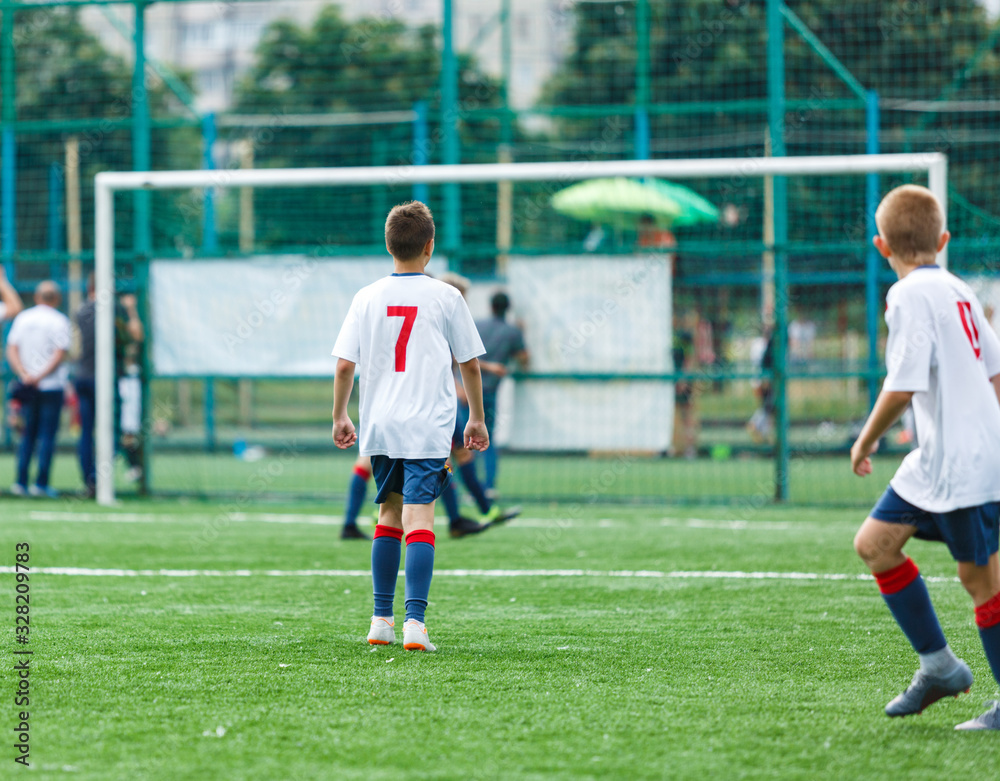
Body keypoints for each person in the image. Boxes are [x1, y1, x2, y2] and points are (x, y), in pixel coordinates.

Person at [850, 184, 1000, 731]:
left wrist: (864, 441)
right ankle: (939, 667)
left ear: (879, 245)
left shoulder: (908, 295)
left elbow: (903, 383)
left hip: (962, 463)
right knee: (875, 543)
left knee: (981, 580)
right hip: (942, 460)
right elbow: (994, 374)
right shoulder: (959, 289)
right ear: (942, 239)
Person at [332, 200, 488, 652]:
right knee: (421, 519)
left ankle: (380, 619)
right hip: (427, 425)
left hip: (381, 424)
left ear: (389, 245)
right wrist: (475, 418)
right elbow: (470, 365)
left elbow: (345, 366)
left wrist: (341, 415)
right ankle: (414, 624)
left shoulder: (367, 296)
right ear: (430, 245)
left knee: (387, 517)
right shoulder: (446, 296)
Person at [74, 274, 144, 497]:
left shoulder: (81, 310)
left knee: (86, 431)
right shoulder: (113, 308)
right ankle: (99, 480)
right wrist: (131, 309)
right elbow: (137, 334)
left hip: (83, 376)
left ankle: (89, 481)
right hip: (105, 378)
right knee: (113, 430)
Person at [6, 281, 72, 497]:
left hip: (27, 386)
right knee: (46, 437)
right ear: (57, 299)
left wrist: (25, 374)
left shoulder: (23, 318)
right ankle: (40, 484)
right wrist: (40, 376)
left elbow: (12, 348)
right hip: (51, 387)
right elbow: (59, 353)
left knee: (27, 435)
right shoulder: (60, 321)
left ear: (37, 297)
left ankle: (20, 482)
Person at [474, 291, 529, 492]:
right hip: (489, 391)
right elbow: (524, 360)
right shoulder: (512, 331)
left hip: (466, 391)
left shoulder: (477, 325)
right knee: (487, 440)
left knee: (463, 443)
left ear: (491, 306)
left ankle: (468, 487)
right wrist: (523, 333)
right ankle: (488, 486)